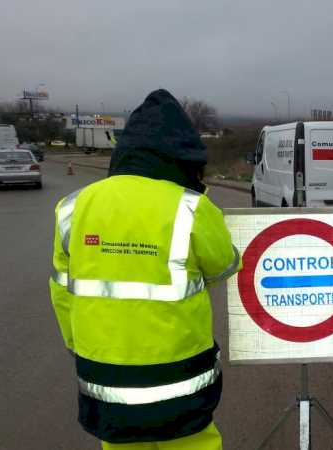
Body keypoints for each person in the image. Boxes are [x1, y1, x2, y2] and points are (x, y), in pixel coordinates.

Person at [49, 89, 240, 449]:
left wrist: (76, 343)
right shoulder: (191, 208)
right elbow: (224, 265)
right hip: (180, 378)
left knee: (121, 444)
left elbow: (62, 290)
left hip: (105, 378)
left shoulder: (72, 208)